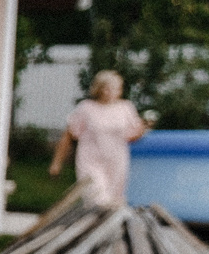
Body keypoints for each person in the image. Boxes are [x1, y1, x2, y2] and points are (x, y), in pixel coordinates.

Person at [49, 68, 150, 208]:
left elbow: (132, 136)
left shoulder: (125, 107)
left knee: (114, 202)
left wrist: (142, 129)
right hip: (91, 160)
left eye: (116, 89)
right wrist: (57, 163)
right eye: (107, 89)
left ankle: (108, 230)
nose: (111, 93)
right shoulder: (86, 108)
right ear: (99, 89)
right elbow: (69, 135)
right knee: (96, 198)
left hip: (117, 161)